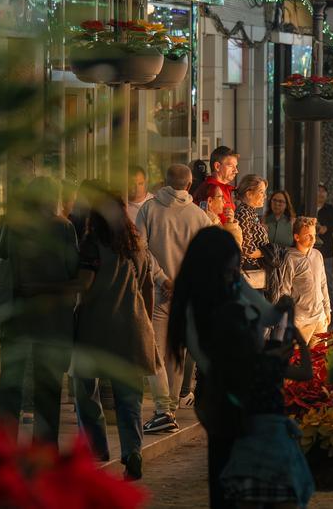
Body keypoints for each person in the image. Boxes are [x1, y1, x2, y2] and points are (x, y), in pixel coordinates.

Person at [167, 227, 315, 509]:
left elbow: (267, 313)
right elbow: (202, 355)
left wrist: (285, 308)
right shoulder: (197, 299)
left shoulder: (235, 284)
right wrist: (247, 367)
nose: (235, 271)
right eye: (229, 265)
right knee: (227, 470)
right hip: (222, 390)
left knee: (242, 469)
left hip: (243, 381)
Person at [71, 188, 167, 480]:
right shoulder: (135, 243)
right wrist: (145, 319)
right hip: (133, 326)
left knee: (86, 391)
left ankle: (96, 446)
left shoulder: (91, 243)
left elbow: (84, 284)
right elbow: (148, 285)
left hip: (95, 327)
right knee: (129, 398)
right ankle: (132, 451)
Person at [0, 176, 80, 444]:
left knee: (10, 387)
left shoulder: (9, 224)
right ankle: (44, 455)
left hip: (15, 317)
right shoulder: (64, 228)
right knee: (48, 392)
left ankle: (2, 450)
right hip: (52, 320)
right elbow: (73, 271)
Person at [134, 163, 213, 435]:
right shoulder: (199, 216)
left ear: (164, 181)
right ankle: (170, 410)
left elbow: (140, 251)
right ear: (190, 185)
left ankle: (163, 409)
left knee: (156, 351)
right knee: (176, 353)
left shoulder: (149, 209)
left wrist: (162, 278)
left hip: (159, 293)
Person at [285, 217, 330, 345]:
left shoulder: (317, 255)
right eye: (308, 235)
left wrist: (327, 309)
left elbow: (323, 283)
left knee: (320, 358)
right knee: (298, 359)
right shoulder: (290, 258)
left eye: (314, 235)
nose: (312, 238)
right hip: (300, 320)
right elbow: (285, 289)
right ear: (297, 237)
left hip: (320, 317)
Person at [233, 174, 270, 290]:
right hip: (249, 273)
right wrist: (270, 252)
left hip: (254, 271)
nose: (264, 196)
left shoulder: (251, 212)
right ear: (249, 194)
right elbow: (248, 249)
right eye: (261, 192)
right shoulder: (243, 213)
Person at [192, 146, 239, 223]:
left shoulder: (225, 189)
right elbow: (204, 223)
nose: (236, 171)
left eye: (236, 166)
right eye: (230, 166)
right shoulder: (208, 190)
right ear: (217, 166)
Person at [316, 184, 333, 307]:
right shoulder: (305, 206)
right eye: (319, 191)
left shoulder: (329, 209)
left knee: (327, 283)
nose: (321, 194)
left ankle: (330, 313)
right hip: (308, 251)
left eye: (323, 191)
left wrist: (326, 228)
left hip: (326, 251)